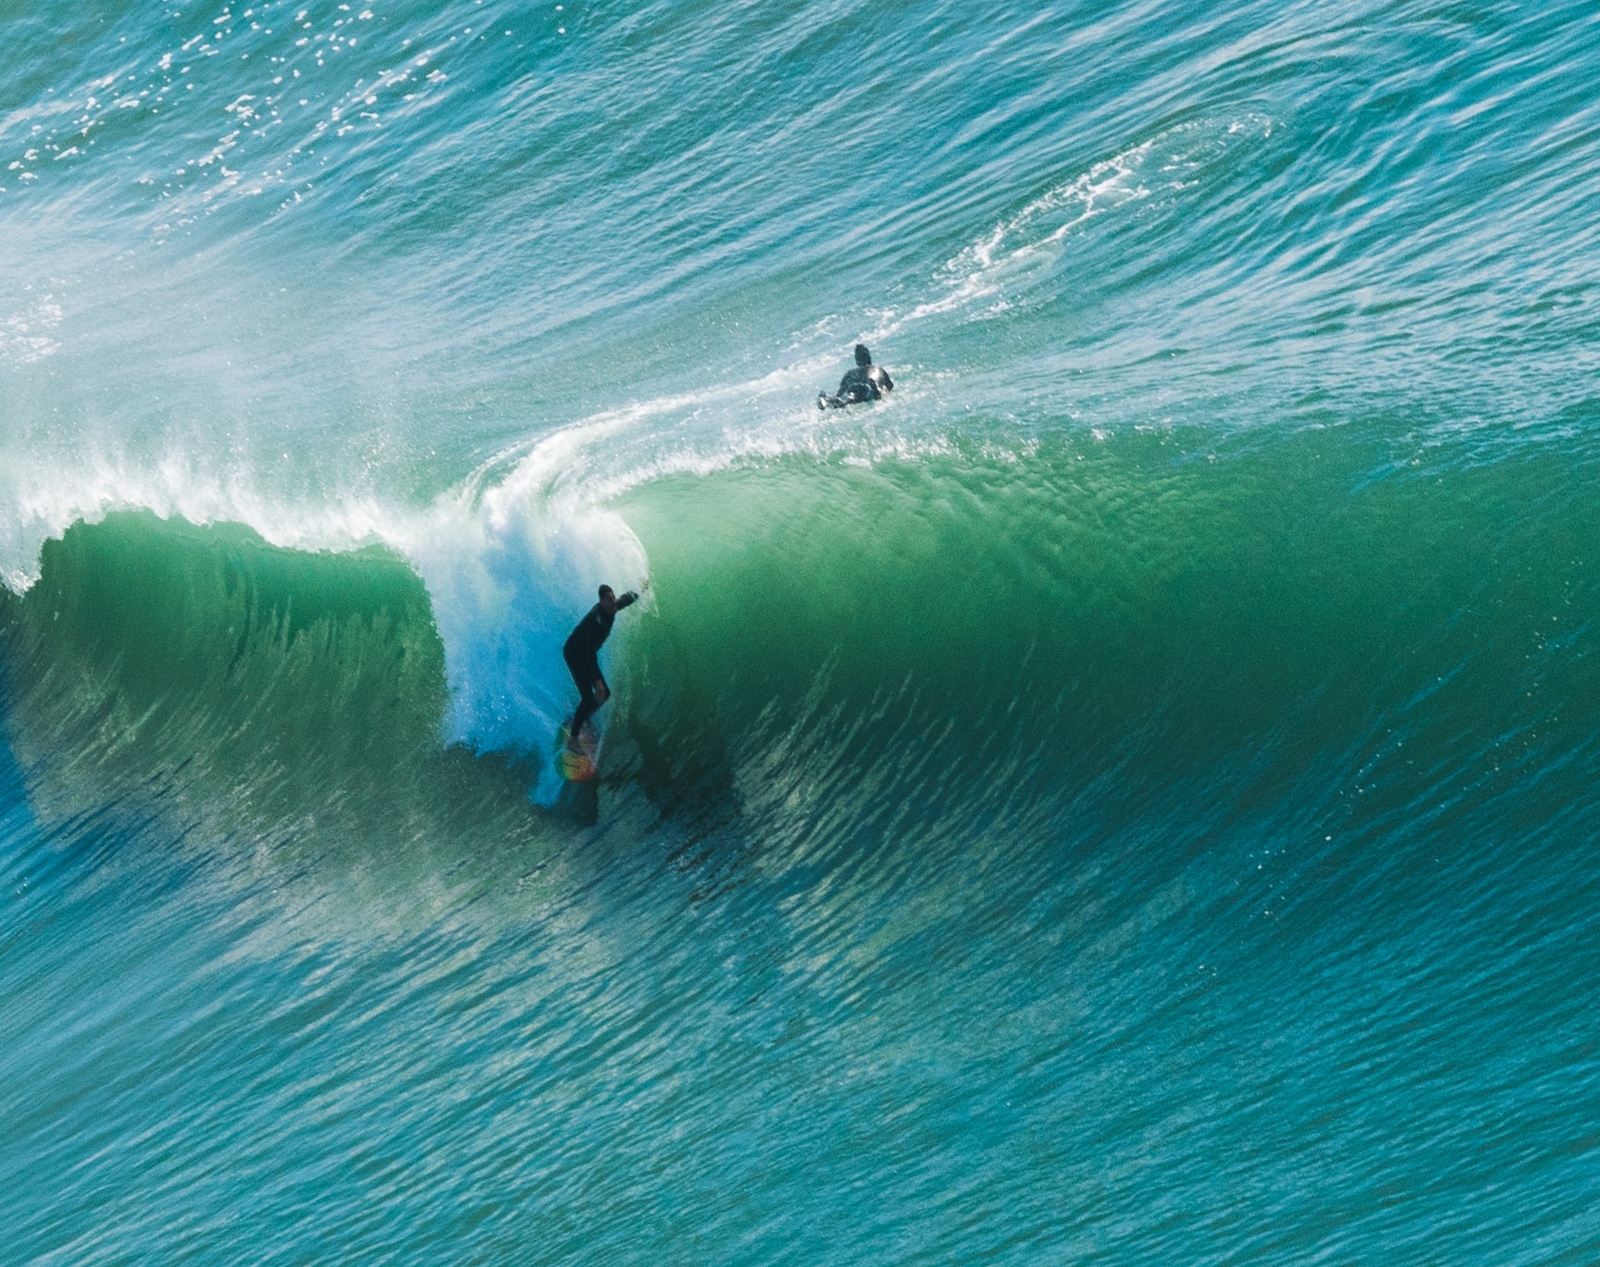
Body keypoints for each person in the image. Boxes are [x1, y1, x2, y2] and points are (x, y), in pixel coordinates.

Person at [563, 583, 639, 749]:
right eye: (609, 600)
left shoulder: (612, 607)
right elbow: (589, 653)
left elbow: (626, 600)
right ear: (602, 602)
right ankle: (573, 740)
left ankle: (584, 717)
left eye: (613, 598)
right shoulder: (595, 619)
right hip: (574, 654)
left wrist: (640, 589)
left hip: (585, 654)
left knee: (604, 695)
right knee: (589, 697)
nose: (614, 602)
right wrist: (597, 681)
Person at [818, 343, 894, 409]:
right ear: (868, 357)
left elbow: (840, 393)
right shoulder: (877, 369)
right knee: (860, 395)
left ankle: (827, 400)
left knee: (846, 397)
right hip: (867, 388)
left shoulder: (850, 373)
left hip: (852, 387)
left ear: (857, 360)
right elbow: (890, 386)